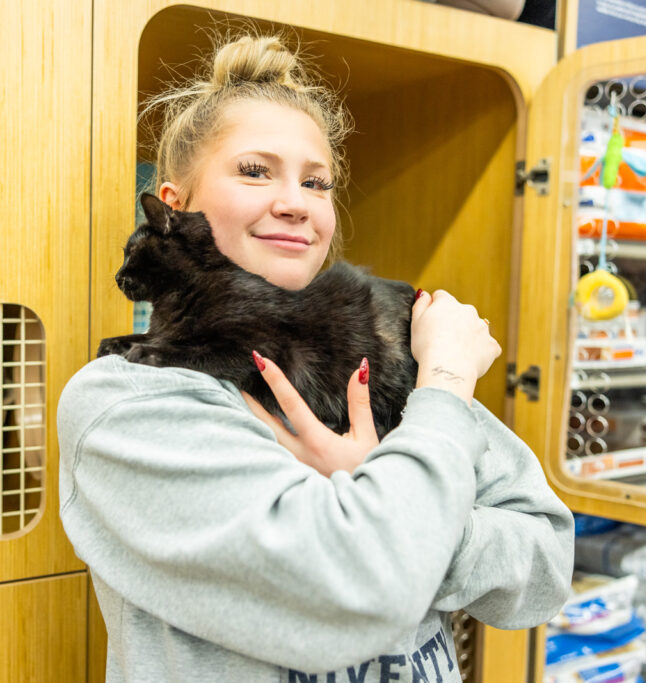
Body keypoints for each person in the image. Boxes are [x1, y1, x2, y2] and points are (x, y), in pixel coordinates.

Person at [58, 33, 574, 683]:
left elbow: (547, 565)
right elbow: (359, 583)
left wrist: (379, 485)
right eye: (254, 170)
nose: (295, 202)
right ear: (174, 206)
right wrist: (443, 388)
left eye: (316, 181)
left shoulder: (378, 356)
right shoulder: (129, 408)